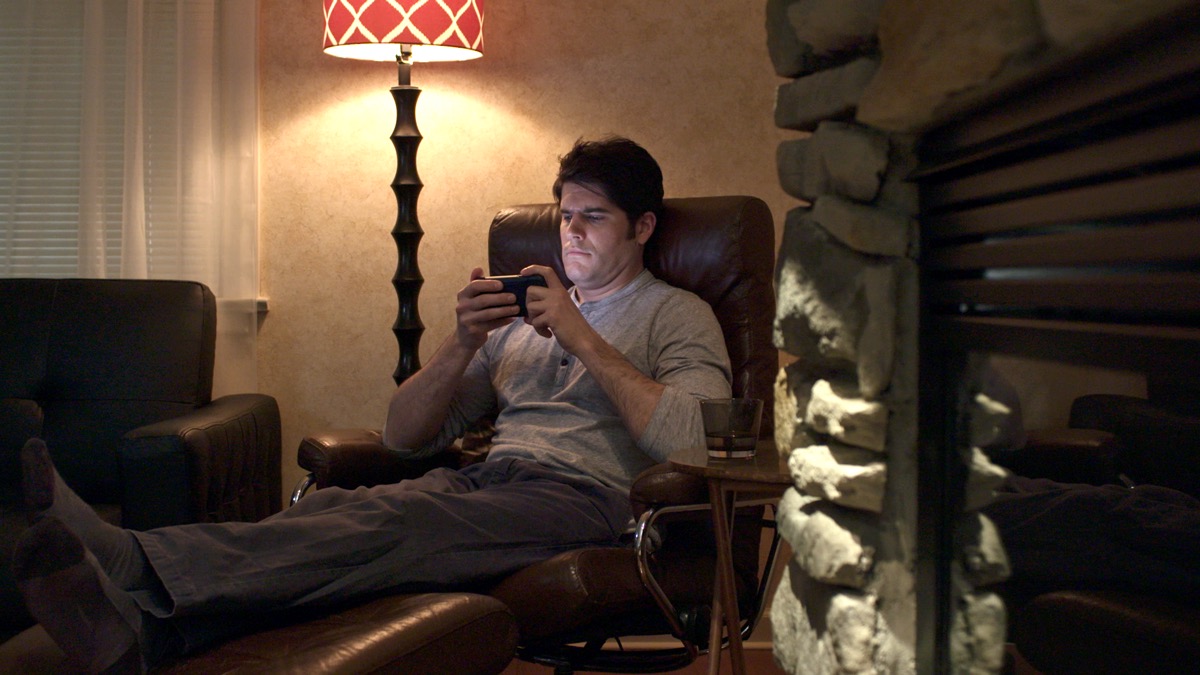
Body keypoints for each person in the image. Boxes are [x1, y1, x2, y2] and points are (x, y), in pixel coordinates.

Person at [12, 136, 733, 673]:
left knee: (402, 520)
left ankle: (133, 558)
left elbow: (696, 441)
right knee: (332, 510)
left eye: (594, 218)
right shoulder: (519, 318)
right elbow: (405, 435)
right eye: (566, 216)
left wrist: (581, 336)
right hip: (488, 483)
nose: (571, 234)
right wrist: (460, 342)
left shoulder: (677, 314)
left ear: (642, 227)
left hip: (587, 501)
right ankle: (146, 635)